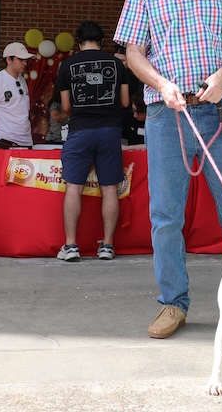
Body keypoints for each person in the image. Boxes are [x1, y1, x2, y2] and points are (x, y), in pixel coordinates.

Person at [114, 0, 222, 339]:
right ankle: (173, 303)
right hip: (164, 116)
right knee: (166, 216)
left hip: (216, 113)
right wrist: (160, 84)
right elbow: (133, 53)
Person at [55, 21, 129, 262]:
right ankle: (107, 246)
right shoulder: (117, 64)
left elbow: (65, 107)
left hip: (80, 131)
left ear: (78, 43)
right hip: (109, 130)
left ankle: (71, 246)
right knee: (109, 189)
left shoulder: (67, 65)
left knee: (73, 187)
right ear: (102, 41)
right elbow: (125, 103)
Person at [114, 44, 146, 146]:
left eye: (122, 61)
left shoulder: (137, 75)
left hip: (139, 106)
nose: (120, 64)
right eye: (116, 60)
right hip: (124, 115)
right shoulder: (111, 74)